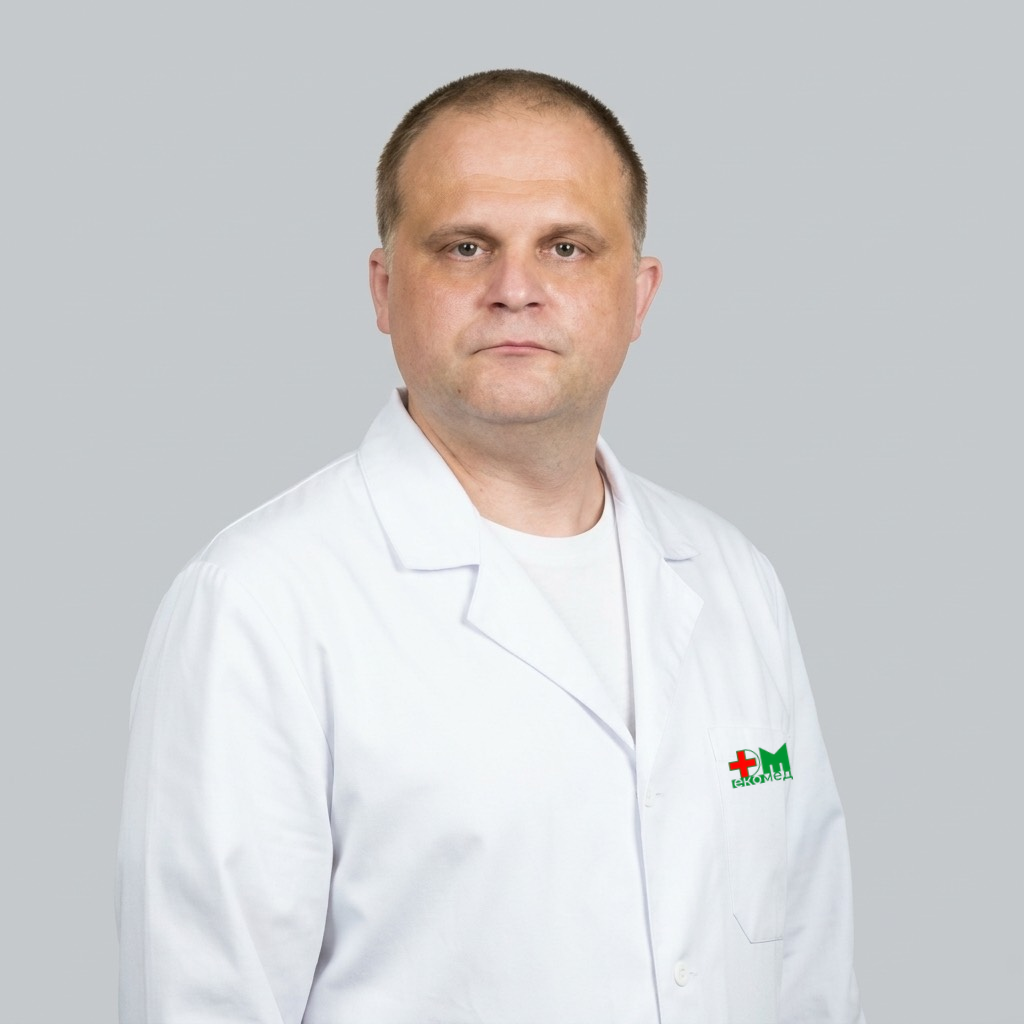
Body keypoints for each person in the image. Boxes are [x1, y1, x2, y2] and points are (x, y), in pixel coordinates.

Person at [117, 69, 866, 1024]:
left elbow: (812, 972)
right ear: (384, 288)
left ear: (639, 295)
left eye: (567, 247)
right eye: (465, 247)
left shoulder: (735, 582)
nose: (516, 290)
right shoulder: (259, 603)